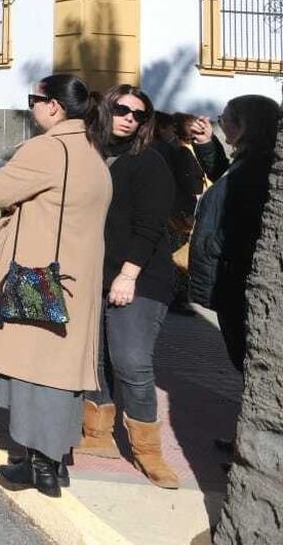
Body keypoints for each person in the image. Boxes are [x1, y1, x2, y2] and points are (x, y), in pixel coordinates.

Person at [0, 74, 111, 498]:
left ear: (53, 106)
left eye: (34, 99)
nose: (31, 107)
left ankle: (38, 466)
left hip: (39, 281)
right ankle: (52, 462)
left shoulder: (49, 149)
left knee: (35, 373)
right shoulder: (91, 150)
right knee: (62, 376)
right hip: (75, 282)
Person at [74, 85, 178, 488]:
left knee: (131, 360)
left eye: (140, 114)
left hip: (140, 276)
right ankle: (98, 435)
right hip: (93, 273)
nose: (130, 117)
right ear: (104, 109)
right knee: (95, 357)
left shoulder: (148, 162)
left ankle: (149, 452)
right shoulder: (89, 156)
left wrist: (128, 275)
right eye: (122, 109)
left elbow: (150, 226)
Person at [188, 94, 280, 372]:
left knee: (245, 361)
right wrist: (207, 143)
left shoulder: (256, 169)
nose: (220, 124)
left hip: (235, 282)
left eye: (223, 120)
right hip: (230, 279)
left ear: (242, 126)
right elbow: (227, 182)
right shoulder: (250, 163)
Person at [151, 112, 205, 315]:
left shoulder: (146, 148)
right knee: (178, 254)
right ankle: (178, 298)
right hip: (177, 211)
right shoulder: (175, 151)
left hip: (159, 209)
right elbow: (189, 183)